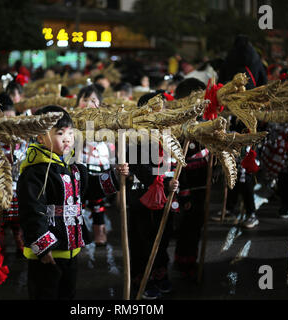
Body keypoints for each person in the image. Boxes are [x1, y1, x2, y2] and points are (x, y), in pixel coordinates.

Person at [17, 105, 129, 300]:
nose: (67, 138)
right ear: (41, 137)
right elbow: (32, 212)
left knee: (67, 295)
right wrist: (43, 248)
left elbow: (91, 187)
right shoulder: (34, 172)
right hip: (47, 253)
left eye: (70, 132)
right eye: (60, 133)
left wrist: (116, 177)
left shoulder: (74, 167)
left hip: (71, 250)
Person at [125, 92, 179, 299]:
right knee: (142, 241)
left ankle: (159, 274)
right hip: (141, 199)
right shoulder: (134, 138)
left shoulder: (168, 136)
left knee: (163, 239)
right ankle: (142, 279)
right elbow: (140, 168)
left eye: (162, 110)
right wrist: (165, 182)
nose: (160, 114)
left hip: (166, 197)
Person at [172, 78, 207, 280]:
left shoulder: (205, 123)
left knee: (195, 225)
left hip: (200, 184)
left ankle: (188, 260)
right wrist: (182, 190)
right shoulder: (176, 127)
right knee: (182, 225)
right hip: (181, 183)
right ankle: (177, 262)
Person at [75, 85, 113, 245]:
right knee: (79, 202)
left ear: (99, 102)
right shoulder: (74, 117)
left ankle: (100, 233)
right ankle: (78, 235)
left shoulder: (106, 118)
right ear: (78, 102)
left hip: (100, 163)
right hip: (81, 163)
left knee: (98, 202)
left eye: (93, 99)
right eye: (85, 99)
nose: (88, 103)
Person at [0, 93, 25, 256]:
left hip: (18, 187)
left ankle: (20, 245)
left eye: (12, 121)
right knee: (0, 222)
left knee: (18, 221)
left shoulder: (24, 142)